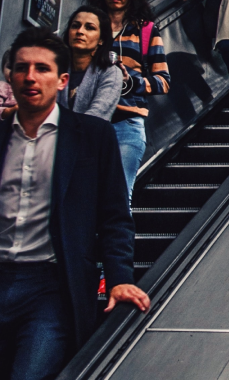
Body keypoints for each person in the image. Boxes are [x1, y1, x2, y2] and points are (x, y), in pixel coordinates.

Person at [0, 28, 149, 379]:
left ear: (62, 79)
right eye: (21, 68)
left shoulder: (92, 137)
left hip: (50, 288)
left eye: (42, 69)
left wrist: (119, 278)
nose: (30, 77)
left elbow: (114, 216)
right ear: (10, 75)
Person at [87, 0, 169, 199]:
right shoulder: (89, 28)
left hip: (127, 122)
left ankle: (114, 236)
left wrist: (131, 82)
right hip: (90, 118)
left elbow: (163, 81)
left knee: (119, 196)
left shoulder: (145, 30)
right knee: (84, 193)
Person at [58, 6, 121, 122]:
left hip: (88, 137)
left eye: (89, 28)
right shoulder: (56, 67)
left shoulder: (111, 73)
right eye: (75, 26)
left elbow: (96, 118)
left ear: (101, 40)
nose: (80, 31)